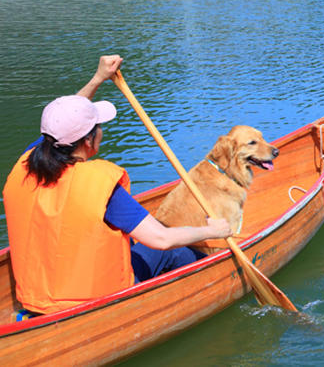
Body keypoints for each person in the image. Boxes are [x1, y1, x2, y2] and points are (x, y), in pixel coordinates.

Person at [2, 55, 232, 315]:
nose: (101, 131)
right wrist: (213, 231)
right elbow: (162, 239)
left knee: (129, 240)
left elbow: (62, 124)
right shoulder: (101, 187)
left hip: (35, 297)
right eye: (99, 127)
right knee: (174, 251)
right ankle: (209, 287)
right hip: (92, 303)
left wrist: (98, 78)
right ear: (89, 141)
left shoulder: (26, 164)